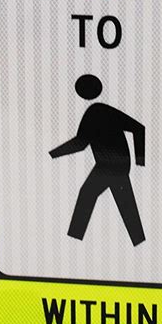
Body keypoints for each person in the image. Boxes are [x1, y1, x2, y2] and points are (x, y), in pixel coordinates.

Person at [50, 74, 145, 245]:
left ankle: (74, 239)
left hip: (110, 165)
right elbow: (81, 143)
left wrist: (140, 160)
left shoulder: (95, 112)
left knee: (88, 194)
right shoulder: (99, 111)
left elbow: (80, 143)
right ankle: (138, 241)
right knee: (123, 201)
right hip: (114, 165)